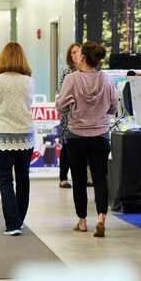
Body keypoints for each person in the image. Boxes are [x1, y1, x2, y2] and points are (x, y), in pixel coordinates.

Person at [56, 41, 119, 237]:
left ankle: (82, 221)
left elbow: (60, 105)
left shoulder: (71, 79)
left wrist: (71, 107)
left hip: (77, 136)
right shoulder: (106, 79)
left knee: (79, 179)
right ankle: (101, 217)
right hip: (100, 135)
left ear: (82, 58)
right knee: (100, 178)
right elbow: (114, 106)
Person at [0, 42, 35, 236]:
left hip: (2, 135)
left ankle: (12, 224)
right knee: (23, 179)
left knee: (5, 180)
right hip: (25, 135)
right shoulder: (29, 81)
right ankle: (19, 220)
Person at [56, 43, 81, 189]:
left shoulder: (89, 72)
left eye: (78, 52)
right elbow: (62, 94)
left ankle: (84, 177)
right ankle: (63, 177)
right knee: (66, 147)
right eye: (73, 52)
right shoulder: (67, 73)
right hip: (68, 115)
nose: (76, 54)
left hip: (82, 116)